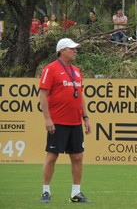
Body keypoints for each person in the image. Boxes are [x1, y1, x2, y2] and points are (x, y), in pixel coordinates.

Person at [39, 38, 91, 203]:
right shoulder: (51, 69)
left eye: (75, 49)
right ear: (62, 51)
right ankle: (45, 191)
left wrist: (86, 117)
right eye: (72, 49)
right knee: (52, 156)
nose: (75, 51)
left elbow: (80, 95)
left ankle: (76, 193)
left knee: (77, 157)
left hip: (75, 122)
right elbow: (43, 95)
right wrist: (47, 119)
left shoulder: (76, 70)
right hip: (58, 122)